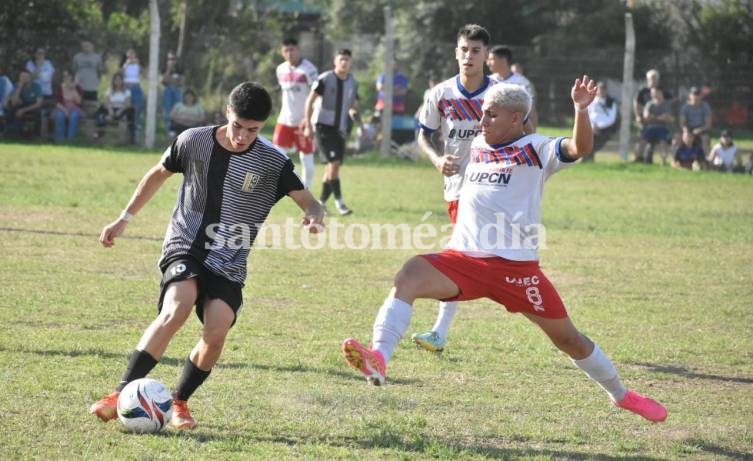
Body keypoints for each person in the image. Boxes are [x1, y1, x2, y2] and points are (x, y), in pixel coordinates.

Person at [341, 77, 669, 424]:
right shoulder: (480, 143)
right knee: (408, 275)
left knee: (569, 339)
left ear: (516, 118)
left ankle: (622, 395)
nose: (482, 122)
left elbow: (579, 147)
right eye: (483, 113)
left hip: (516, 270)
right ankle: (379, 357)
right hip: (464, 260)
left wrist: (581, 109)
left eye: (492, 115)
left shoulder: (537, 149)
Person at [89, 81, 325, 430]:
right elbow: (158, 174)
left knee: (216, 330)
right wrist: (124, 219)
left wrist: (315, 216)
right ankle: (119, 393)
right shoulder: (193, 140)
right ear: (227, 113)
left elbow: (311, 201)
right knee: (177, 309)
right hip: (186, 242)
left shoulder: (272, 162)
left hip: (230, 259)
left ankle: (180, 402)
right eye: (238, 126)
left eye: (253, 130)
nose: (243, 136)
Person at [411, 24, 495, 353]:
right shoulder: (441, 94)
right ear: (455, 52)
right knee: (482, 254)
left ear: (486, 55)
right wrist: (435, 159)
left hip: (490, 186)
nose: (469, 56)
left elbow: (524, 132)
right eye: (464, 49)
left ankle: (439, 332)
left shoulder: (498, 94)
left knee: (460, 253)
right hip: (457, 187)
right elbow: (424, 135)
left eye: (476, 50)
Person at [303, 48, 360, 216]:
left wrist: (357, 117)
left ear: (351, 62)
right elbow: (310, 101)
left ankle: (319, 203)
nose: (344, 62)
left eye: (347, 59)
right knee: (334, 163)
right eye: (341, 59)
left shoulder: (353, 83)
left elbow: (353, 105)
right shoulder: (325, 79)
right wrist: (307, 124)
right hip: (323, 127)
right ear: (335, 61)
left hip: (340, 129)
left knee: (331, 169)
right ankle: (340, 203)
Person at [274, 38, 319, 189]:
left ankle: (307, 190)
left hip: (302, 122)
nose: (289, 53)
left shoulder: (309, 69)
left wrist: (310, 120)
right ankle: (276, 189)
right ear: (282, 52)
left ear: (298, 50)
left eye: (292, 49)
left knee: (307, 159)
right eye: (286, 50)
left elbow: (317, 96)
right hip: (284, 120)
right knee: (276, 156)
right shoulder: (280, 69)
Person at [486, 45, 537, 132]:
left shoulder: (522, 83)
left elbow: (531, 110)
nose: (488, 63)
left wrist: (532, 134)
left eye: (492, 59)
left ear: (503, 60)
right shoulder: (488, 81)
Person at [633, 69, 672, 162]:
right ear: (647, 79)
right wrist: (638, 115)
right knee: (643, 138)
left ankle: (660, 160)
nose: (653, 80)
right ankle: (639, 158)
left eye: (655, 78)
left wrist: (661, 117)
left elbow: (668, 111)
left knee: (661, 140)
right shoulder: (643, 91)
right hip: (646, 122)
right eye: (651, 79)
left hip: (662, 124)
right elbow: (637, 104)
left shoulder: (664, 91)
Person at [94, 72, 135, 142]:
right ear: (113, 81)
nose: (118, 82)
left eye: (119, 80)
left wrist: (120, 111)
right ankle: (98, 133)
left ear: (122, 81)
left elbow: (127, 103)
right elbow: (107, 101)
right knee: (100, 111)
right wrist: (110, 110)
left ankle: (129, 138)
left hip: (122, 109)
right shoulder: (110, 90)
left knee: (130, 110)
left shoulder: (127, 91)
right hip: (111, 109)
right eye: (116, 80)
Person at [585, 81, 618, 161]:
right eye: (600, 89)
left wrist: (599, 127)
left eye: (604, 89)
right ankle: (586, 158)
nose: (602, 91)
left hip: (605, 129)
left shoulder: (611, 102)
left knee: (597, 140)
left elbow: (611, 118)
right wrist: (593, 126)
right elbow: (587, 113)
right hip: (591, 127)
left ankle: (588, 157)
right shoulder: (591, 100)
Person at [640, 86, 674, 165]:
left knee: (663, 142)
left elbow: (667, 117)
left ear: (661, 93)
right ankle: (639, 159)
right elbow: (646, 117)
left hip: (663, 128)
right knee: (642, 142)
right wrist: (659, 117)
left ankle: (664, 161)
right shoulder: (649, 104)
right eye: (652, 93)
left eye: (655, 93)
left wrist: (653, 117)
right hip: (650, 128)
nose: (654, 95)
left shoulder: (667, 104)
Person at [5, 70, 43, 137]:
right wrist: (19, 87)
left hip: (33, 106)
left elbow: (38, 103)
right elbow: (14, 102)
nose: (24, 78)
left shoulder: (36, 86)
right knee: (12, 109)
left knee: (38, 112)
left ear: (30, 77)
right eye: (22, 77)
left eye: (26, 76)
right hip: (22, 104)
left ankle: (36, 135)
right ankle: (11, 131)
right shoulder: (17, 85)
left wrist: (23, 110)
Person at [52, 69, 84, 142]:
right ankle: (60, 140)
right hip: (62, 108)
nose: (65, 78)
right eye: (64, 76)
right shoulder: (60, 87)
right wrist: (65, 111)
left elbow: (79, 102)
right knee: (59, 116)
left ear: (71, 77)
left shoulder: (78, 88)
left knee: (74, 116)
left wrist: (72, 88)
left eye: (67, 76)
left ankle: (70, 140)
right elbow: (57, 102)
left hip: (75, 109)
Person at [680, 86, 712, 156]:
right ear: (690, 95)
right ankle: (683, 158)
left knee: (705, 138)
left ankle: (706, 159)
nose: (696, 96)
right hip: (689, 129)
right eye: (694, 94)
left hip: (702, 129)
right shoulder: (685, 107)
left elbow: (708, 124)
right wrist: (686, 131)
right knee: (682, 138)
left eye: (698, 94)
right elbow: (682, 123)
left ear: (701, 96)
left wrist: (699, 130)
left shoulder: (705, 106)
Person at [161, 51, 184, 136]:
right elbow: (164, 81)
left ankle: (176, 130)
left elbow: (181, 83)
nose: (172, 61)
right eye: (170, 59)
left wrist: (173, 80)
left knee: (178, 109)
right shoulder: (164, 69)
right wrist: (168, 70)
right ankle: (168, 130)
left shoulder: (180, 69)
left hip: (177, 91)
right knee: (168, 110)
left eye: (173, 59)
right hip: (168, 91)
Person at [122, 48, 144, 133]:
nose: (131, 57)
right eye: (129, 55)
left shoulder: (137, 64)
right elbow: (122, 74)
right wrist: (127, 64)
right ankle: (127, 122)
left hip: (136, 86)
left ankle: (137, 122)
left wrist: (138, 64)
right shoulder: (125, 64)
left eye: (132, 54)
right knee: (127, 104)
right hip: (127, 86)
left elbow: (143, 73)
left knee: (138, 104)